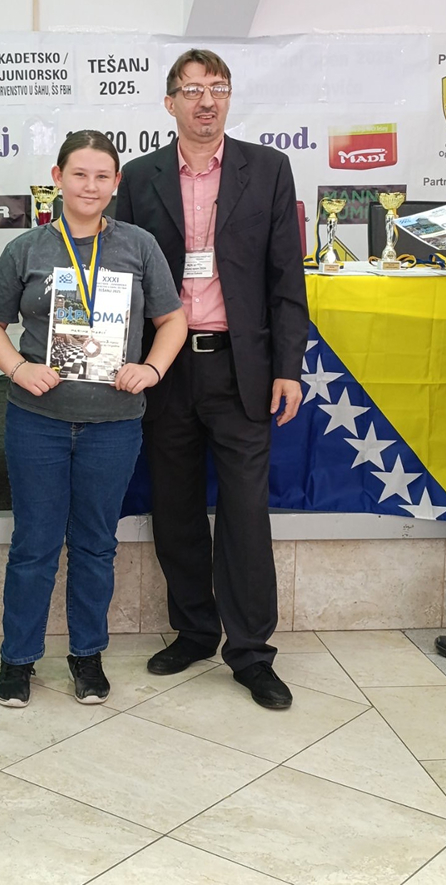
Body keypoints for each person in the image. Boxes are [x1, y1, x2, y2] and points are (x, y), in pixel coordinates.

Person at [114, 49, 308, 709]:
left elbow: (286, 278)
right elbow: (122, 277)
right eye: (192, 89)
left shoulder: (267, 169)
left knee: (245, 514)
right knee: (174, 507)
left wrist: (288, 368)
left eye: (217, 88)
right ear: (169, 102)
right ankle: (194, 630)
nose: (206, 100)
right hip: (165, 366)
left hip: (240, 366)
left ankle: (250, 652)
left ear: (228, 98)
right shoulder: (138, 177)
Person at [0, 130, 187, 708]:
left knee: (95, 545)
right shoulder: (28, 248)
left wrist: (153, 369)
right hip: (37, 421)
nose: (90, 186)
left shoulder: (139, 245)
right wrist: (18, 368)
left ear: (116, 183)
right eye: (79, 174)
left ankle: (87, 656)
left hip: (114, 424)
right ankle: (18, 659)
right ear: (58, 178)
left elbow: (172, 319)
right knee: (34, 545)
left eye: (101, 176)